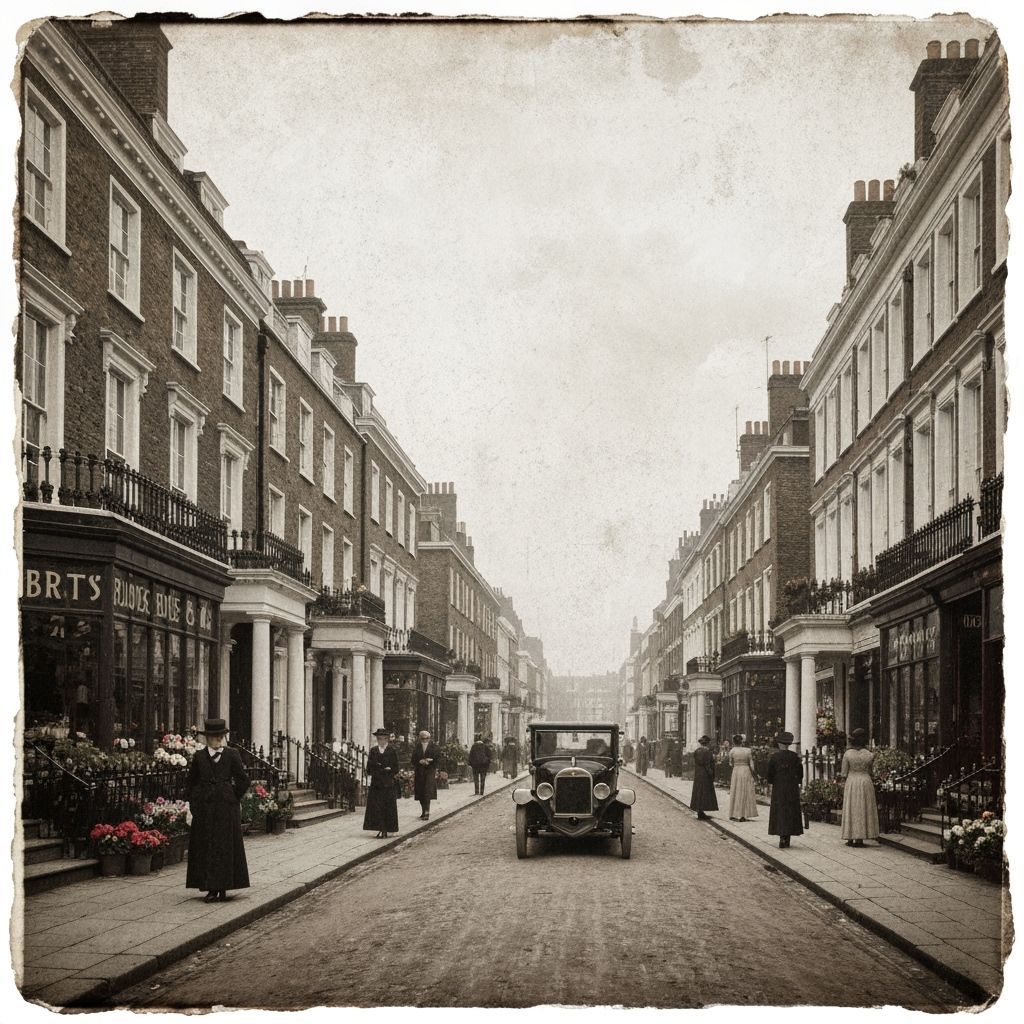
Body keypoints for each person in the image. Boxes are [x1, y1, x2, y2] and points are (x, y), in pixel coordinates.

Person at [185, 718, 250, 903]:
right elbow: (191, 783)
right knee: (207, 847)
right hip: (205, 809)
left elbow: (243, 780)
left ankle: (222, 886)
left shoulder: (232, 754)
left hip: (226, 809)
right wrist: (196, 801)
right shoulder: (199, 757)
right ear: (207, 738)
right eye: (214, 737)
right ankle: (210, 887)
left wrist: (232, 796)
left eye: (220, 736)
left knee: (224, 847)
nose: (217, 740)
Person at [840, 728, 879, 847]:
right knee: (863, 808)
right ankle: (860, 838)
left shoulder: (848, 754)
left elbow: (844, 773)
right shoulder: (869, 754)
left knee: (851, 807)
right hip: (865, 781)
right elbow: (872, 772)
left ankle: (850, 836)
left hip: (852, 781)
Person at [766, 731, 804, 848]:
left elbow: (769, 774)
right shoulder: (794, 757)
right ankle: (787, 837)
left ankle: (782, 836)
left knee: (780, 811)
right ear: (788, 744)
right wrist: (796, 782)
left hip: (779, 787)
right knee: (790, 811)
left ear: (779, 744)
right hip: (791, 787)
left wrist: (772, 782)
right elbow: (800, 773)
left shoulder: (774, 757)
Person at [363, 728, 400, 838]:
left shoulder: (391, 751)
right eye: (380, 739)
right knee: (377, 807)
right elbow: (369, 768)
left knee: (388, 806)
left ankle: (387, 829)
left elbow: (396, 767)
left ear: (387, 739)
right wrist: (382, 769)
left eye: (384, 739)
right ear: (377, 739)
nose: (382, 741)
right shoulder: (373, 751)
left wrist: (389, 769)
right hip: (377, 784)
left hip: (388, 784)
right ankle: (380, 828)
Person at [727, 733, 758, 822]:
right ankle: (743, 814)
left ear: (734, 742)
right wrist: (754, 773)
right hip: (746, 770)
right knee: (745, 791)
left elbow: (730, 763)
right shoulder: (748, 750)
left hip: (736, 771)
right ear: (742, 742)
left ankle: (733, 813)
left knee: (736, 791)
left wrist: (736, 765)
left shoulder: (732, 751)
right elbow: (752, 764)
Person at [412, 729, 440, 820]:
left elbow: (438, 758)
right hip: (420, 772)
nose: (425, 740)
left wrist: (431, 761)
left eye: (426, 738)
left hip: (429, 772)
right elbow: (413, 760)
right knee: (420, 792)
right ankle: (423, 810)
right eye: (423, 739)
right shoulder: (417, 747)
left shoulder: (434, 747)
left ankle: (427, 812)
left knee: (427, 791)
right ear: (420, 739)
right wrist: (419, 761)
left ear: (429, 738)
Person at [690, 735, 718, 820]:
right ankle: (701, 812)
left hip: (698, 774)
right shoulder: (707, 752)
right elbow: (708, 764)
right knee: (704, 793)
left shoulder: (696, 751)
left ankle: (699, 811)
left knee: (699, 792)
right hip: (705, 775)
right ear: (707, 743)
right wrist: (711, 774)